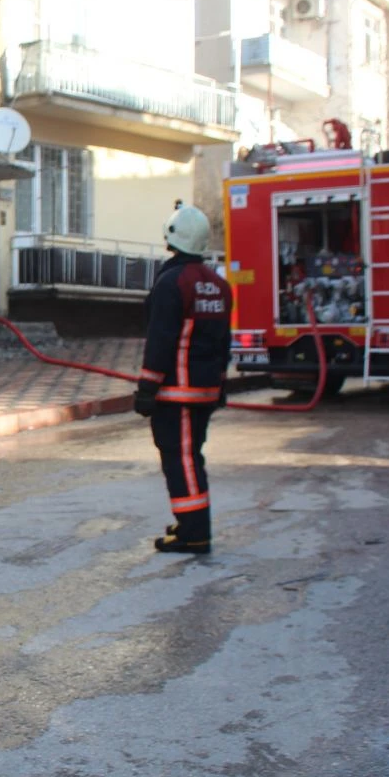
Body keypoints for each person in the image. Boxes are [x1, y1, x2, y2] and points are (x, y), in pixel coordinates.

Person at [133, 204, 232, 554]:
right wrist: (220, 386)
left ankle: (194, 532)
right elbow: (224, 343)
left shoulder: (171, 283)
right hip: (204, 391)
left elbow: (160, 341)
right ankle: (189, 522)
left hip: (177, 394)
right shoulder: (218, 285)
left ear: (172, 238)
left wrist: (147, 388)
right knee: (191, 457)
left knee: (181, 459)